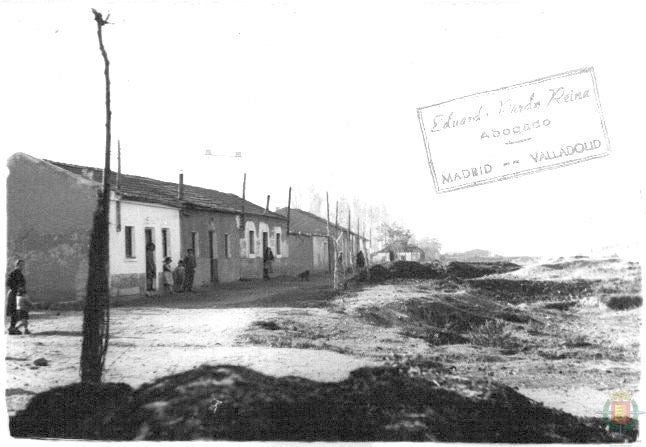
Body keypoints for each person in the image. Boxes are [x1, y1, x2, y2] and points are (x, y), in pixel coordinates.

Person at [6, 259, 26, 335]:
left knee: (17, 312)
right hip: (13, 295)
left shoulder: (20, 273)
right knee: (14, 312)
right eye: (20, 265)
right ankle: (12, 328)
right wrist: (17, 288)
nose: (22, 266)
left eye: (23, 265)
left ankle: (12, 328)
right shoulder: (13, 273)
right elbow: (8, 283)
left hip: (18, 295)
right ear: (16, 265)